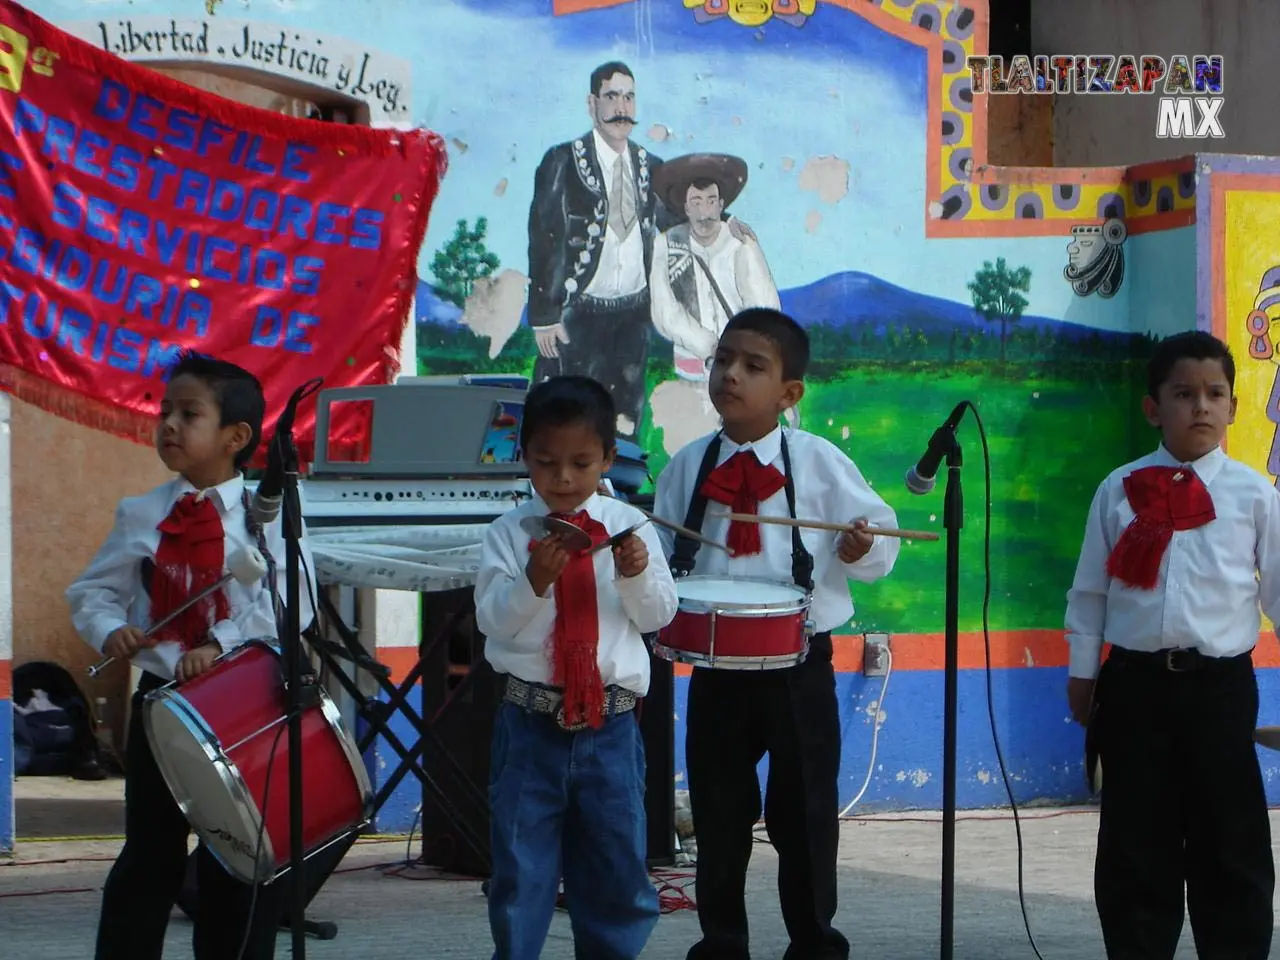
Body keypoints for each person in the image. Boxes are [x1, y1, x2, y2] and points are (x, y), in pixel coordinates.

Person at [652, 308, 900, 960]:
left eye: (753, 366)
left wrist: (856, 547)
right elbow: (661, 561)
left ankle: (815, 942)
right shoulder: (685, 467)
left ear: (790, 394)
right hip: (716, 673)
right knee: (719, 816)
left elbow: (880, 544)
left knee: (807, 817)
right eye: (723, 360)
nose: (730, 375)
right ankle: (723, 943)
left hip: (799, 666)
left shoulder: (819, 464)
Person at [66, 350, 312, 960]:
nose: (168, 424)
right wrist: (110, 630)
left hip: (243, 707)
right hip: (163, 706)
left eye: (189, 414)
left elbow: (295, 602)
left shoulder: (266, 518)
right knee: (150, 852)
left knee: (239, 853)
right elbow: (94, 591)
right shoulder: (144, 513)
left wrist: (219, 646)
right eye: (164, 411)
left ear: (236, 437)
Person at [1065, 330, 1278, 960]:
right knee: (1136, 843)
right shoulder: (1118, 489)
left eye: (1216, 394)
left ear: (1235, 407)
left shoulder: (1254, 496)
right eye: (1184, 394)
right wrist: (1083, 673)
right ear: (1154, 408)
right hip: (1134, 687)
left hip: (1220, 689)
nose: (1202, 407)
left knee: (1229, 842)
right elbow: (1090, 591)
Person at [474, 375, 679, 960]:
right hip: (529, 726)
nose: (563, 479)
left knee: (616, 867)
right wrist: (533, 581)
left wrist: (637, 571)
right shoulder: (507, 534)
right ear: (525, 457)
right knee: (520, 868)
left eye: (582, 463)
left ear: (609, 458)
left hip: (610, 728)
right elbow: (494, 621)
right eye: (546, 462)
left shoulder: (629, 529)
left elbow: (658, 615)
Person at [527, 62, 755, 442]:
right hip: (577, 313)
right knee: (566, 415)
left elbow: (687, 213)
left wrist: (729, 224)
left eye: (629, 97)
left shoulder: (653, 169)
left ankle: (621, 495)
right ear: (592, 103)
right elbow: (544, 237)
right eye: (612, 97)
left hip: (633, 315)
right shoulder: (562, 162)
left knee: (625, 418)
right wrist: (544, 314)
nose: (622, 107)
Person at [649, 153, 780, 453]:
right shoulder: (667, 246)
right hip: (692, 373)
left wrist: (740, 349)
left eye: (711, 201)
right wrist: (708, 346)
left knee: (747, 454)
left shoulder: (740, 244)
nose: (705, 212)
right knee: (694, 457)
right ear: (684, 206)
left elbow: (763, 305)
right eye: (696, 202)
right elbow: (664, 311)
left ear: (722, 205)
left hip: (743, 370)